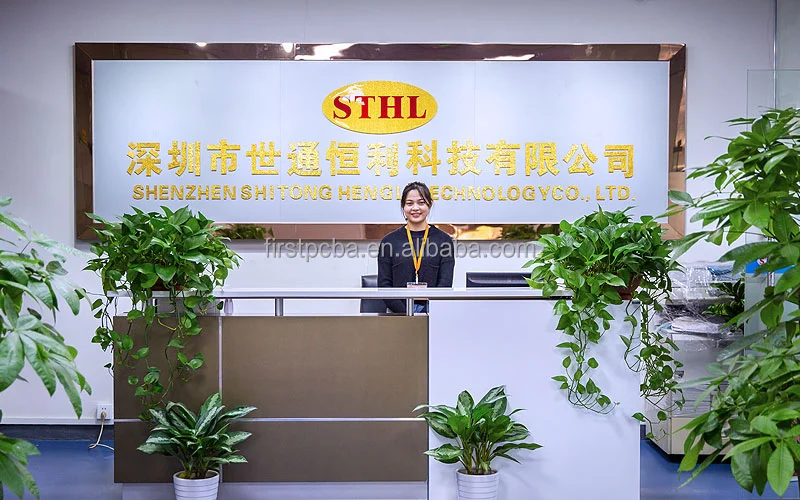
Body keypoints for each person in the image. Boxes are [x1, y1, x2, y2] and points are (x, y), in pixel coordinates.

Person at [378, 181, 455, 313]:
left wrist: (427, 311)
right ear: (403, 206)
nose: (415, 208)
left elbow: (445, 284)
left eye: (421, 203)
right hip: (397, 314)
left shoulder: (444, 241)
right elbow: (384, 285)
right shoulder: (389, 242)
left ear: (430, 204)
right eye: (409, 203)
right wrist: (406, 313)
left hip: (433, 311)